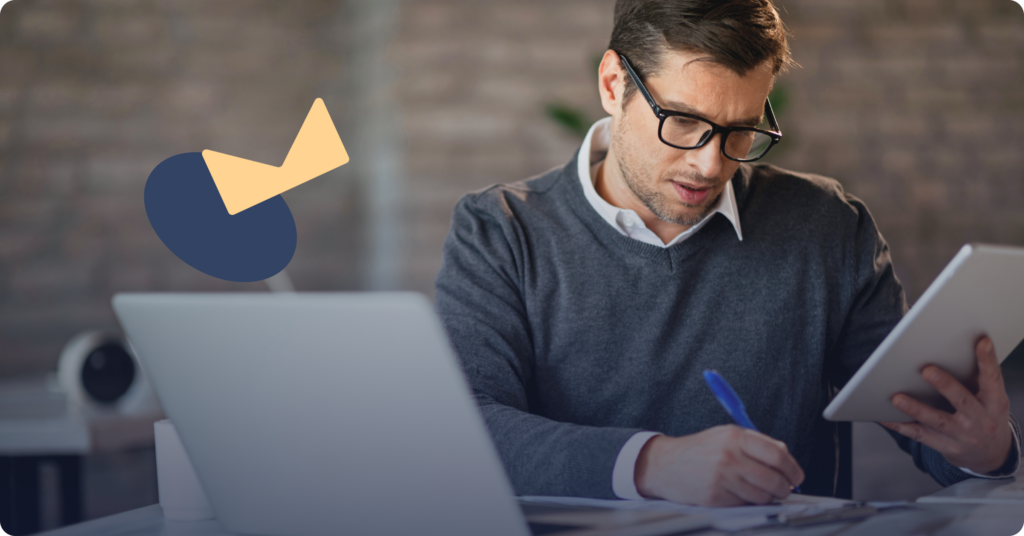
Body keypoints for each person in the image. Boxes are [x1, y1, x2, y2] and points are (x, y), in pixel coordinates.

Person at [434, 0, 1020, 506]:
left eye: (741, 130)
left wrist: (983, 451)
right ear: (613, 85)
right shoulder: (500, 231)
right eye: (684, 122)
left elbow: (925, 426)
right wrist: (651, 464)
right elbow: (466, 430)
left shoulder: (828, 227)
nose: (711, 164)